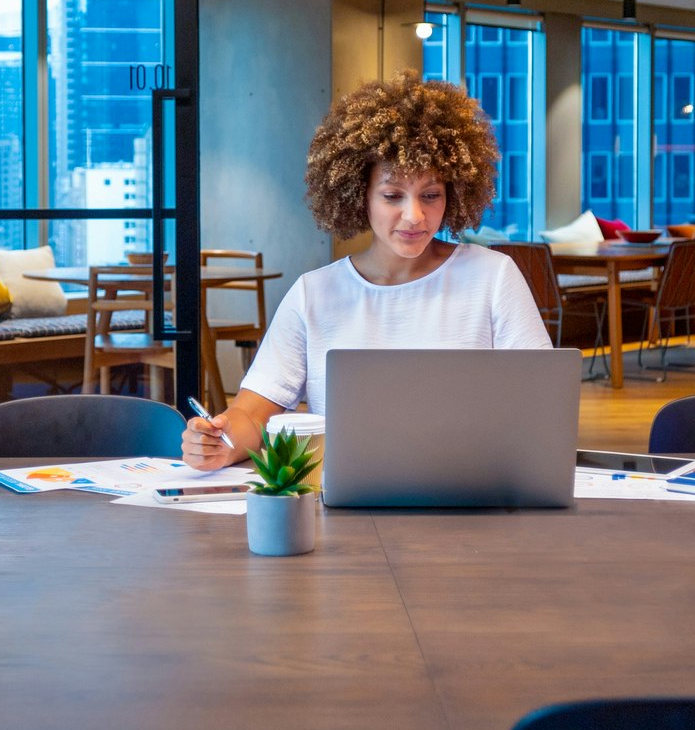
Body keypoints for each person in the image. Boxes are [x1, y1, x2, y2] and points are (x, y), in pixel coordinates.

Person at [182, 73, 551, 471]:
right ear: (359, 194)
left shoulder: (493, 278)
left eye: (431, 195)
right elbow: (253, 414)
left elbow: (542, 403)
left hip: (473, 490)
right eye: (392, 195)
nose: (415, 215)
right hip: (349, 502)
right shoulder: (314, 294)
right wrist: (221, 441)